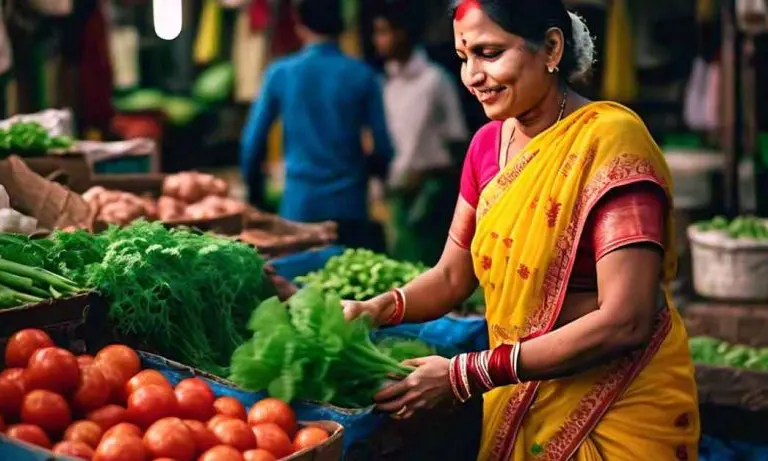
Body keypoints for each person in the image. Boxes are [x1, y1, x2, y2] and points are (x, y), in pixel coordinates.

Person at [343, 0, 700, 459]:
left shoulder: (609, 144)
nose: (472, 76)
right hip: (521, 396)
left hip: (617, 405)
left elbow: (625, 320)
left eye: (490, 54)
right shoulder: (486, 147)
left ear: (551, 47)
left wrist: (464, 375)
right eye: (463, 58)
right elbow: (453, 276)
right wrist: (376, 308)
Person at [240, 0, 394, 251]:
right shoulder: (362, 75)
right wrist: (368, 178)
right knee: (354, 282)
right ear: (342, 26)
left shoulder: (281, 73)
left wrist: (255, 196)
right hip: (350, 205)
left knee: (298, 284)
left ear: (300, 25)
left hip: (300, 205)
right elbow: (384, 148)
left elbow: (251, 144)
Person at [372, 1, 470, 265]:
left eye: (383, 32)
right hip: (396, 193)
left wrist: (434, 178)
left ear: (402, 33)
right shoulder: (383, 84)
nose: (378, 40)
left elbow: (457, 141)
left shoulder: (435, 81)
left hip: (430, 194)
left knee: (429, 268)